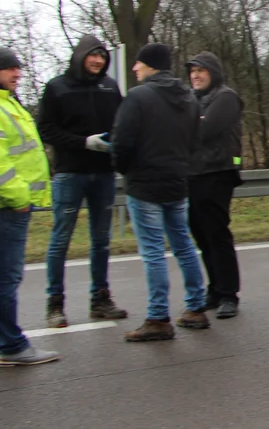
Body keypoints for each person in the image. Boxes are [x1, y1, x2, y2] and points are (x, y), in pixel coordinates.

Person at [111, 43, 210, 341]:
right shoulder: (189, 98)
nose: (134, 68)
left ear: (150, 65)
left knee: (153, 251)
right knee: (183, 245)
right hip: (177, 181)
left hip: (145, 184)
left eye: (138, 63)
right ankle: (195, 308)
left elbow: (122, 142)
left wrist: (125, 170)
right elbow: (195, 142)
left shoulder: (138, 97)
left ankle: (157, 318)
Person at [36, 35, 128, 328]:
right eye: (93, 55)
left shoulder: (110, 87)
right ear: (80, 56)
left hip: (103, 174)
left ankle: (100, 299)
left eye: (102, 56)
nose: (98, 61)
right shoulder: (57, 88)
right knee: (60, 240)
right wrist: (82, 143)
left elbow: (122, 122)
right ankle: (55, 304)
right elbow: (46, 130)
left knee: (101, 240)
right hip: (69, 173)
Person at [0, 47, 60, 366]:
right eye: (10, 69)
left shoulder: (10, 103)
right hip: (8, 206)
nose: (17, 74)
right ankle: (10, 346)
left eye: (18, 69)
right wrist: (20, 198)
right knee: (6, 278)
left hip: (12, 205)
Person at [185, 52, 243, 319]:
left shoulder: (225, 97)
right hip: (193, 175)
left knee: (217, 234)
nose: (196, 75)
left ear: (213, 73)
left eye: (201, 70)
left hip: (217, 173)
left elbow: (204, 131)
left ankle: (229, 293)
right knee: (201, 236)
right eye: (192, 71)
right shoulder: (191, 99)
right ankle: (215, 289)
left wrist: (184, 126)